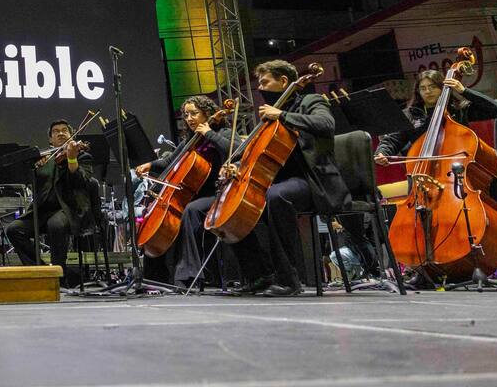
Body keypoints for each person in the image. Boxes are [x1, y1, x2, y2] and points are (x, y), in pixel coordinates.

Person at [222, 60, 350, 297]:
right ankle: (260, 275)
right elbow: (258, 153)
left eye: (265, 81)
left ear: (283, 81)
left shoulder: (310, 101)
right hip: (280, 180)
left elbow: (326, 124)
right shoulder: (269, 118)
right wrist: (236, 165)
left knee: (276, 196)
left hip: (312, 180)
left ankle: (290, 279)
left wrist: (283, 114)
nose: (260, 87)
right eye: (259, 82)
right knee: (234, 207)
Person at [134, 96, 230, 288]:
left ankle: (188, 276)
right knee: (158, 221)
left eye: (194, 113)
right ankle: (155, 278)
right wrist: (150, 165)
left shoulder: (224, 132)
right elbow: (170, 161)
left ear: (207, 113)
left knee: (191, 211)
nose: (189, 118)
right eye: (186, 115)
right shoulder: (191, 140)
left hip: (217, 193)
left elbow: (235, 150)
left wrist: (210, 133)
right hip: (190, 194)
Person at [5, 119, 94, 281]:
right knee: (13, 229)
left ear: (70, 135)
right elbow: (33, 187)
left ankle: (59, 277)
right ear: (50, 140)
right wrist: (34, 169)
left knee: (56, 224)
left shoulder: (82, 156)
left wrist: (72, 159)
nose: (60, 133)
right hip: (42, 210)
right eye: (56, 131)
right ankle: (41, 271)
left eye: (64, 130)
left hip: (68, 209)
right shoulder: (44, 159)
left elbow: (82, 182)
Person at [374, 69, 497, 168]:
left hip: (459, 167)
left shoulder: (458, 109)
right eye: (423, 88)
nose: (428, 91)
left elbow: (496, 110)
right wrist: (382, 152)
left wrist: (464, 91)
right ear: (418, 91)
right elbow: (392, 139)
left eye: (432, 87)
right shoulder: (410, 114)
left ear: (442, 88)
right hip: (422, 170)